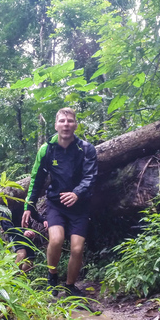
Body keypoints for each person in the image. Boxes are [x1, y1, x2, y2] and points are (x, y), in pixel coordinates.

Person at [22, 108, 98, 297]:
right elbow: (36, 179)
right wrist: (28, 206)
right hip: (56, 203)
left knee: (77, 248)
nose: (66, 124)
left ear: (75, 125)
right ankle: (52, 276)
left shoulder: (86, 149)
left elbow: (90, 176)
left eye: (70, 121)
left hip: (80, 205)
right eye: (62, 121)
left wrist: (77, 194)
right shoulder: (47, 149)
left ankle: (70, 286)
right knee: (56, 240)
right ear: (56, 125)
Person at [0, 203, 46, 272]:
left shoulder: (25, 204)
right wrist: (22, 232)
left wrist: (44, 220)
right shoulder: (7, 208)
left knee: (30, 260)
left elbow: (34, 214)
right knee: (21, 254)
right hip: (15, 234)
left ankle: (19, 278)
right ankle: (11, 278)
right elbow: (6, 227)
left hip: (26, 234)